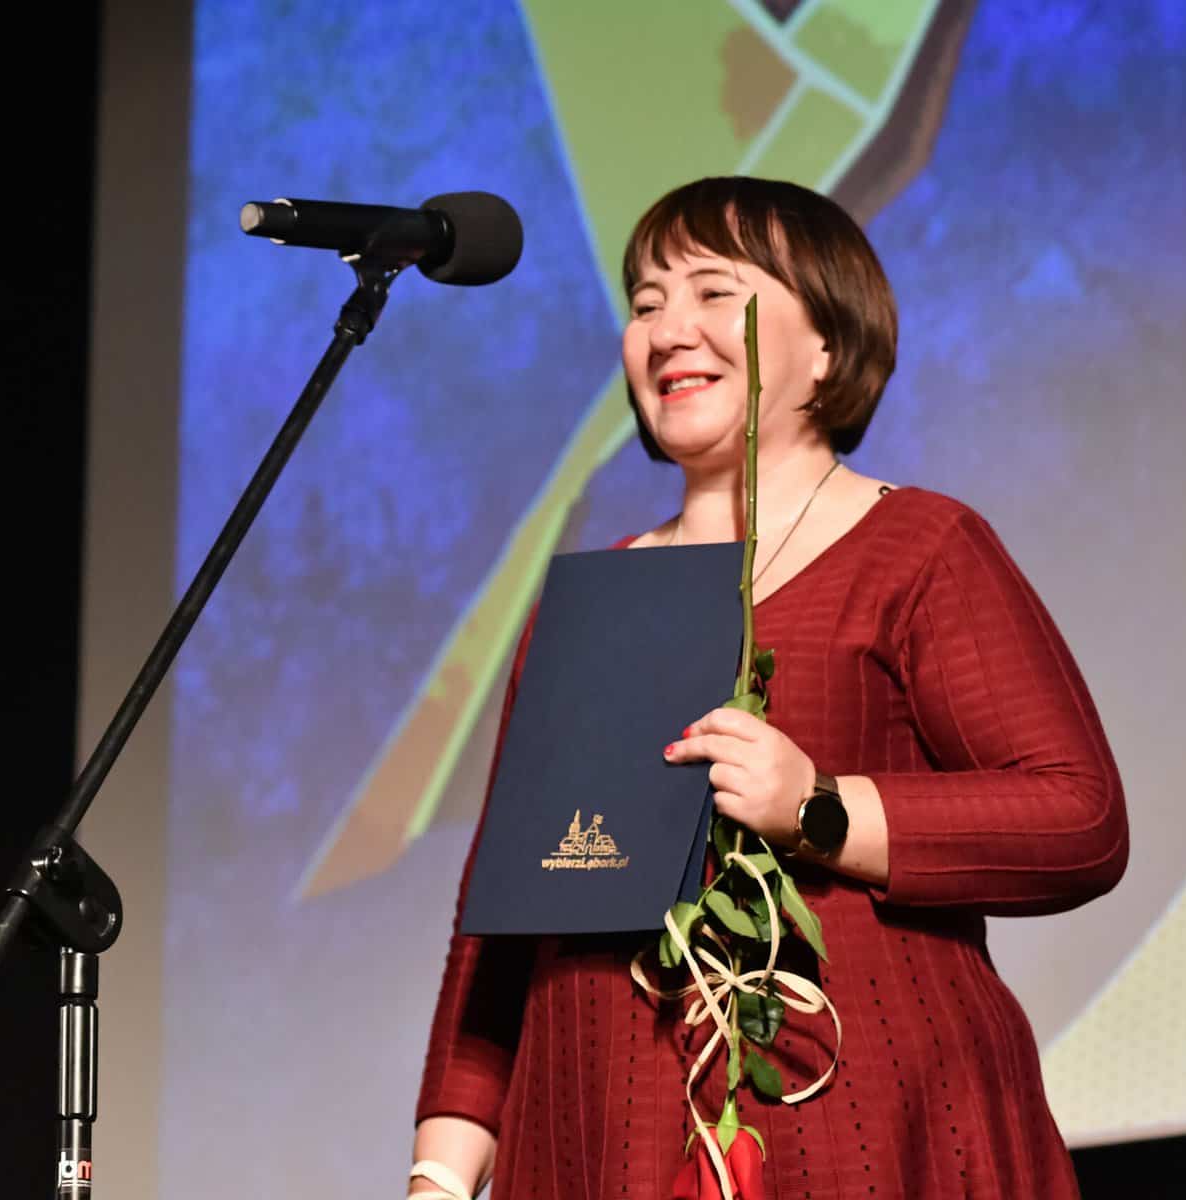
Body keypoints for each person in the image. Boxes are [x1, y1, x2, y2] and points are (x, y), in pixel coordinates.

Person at [407, 177, 1127, 1199]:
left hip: (864, 1131)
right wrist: (439, 1180)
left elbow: (1077, 817)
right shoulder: (585, 603)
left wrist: (820, 810)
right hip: (599, 1142)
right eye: (646, 302)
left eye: (713, 291)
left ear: (826, 343)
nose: (668, 330)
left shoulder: (917, 548)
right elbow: (499, 936)